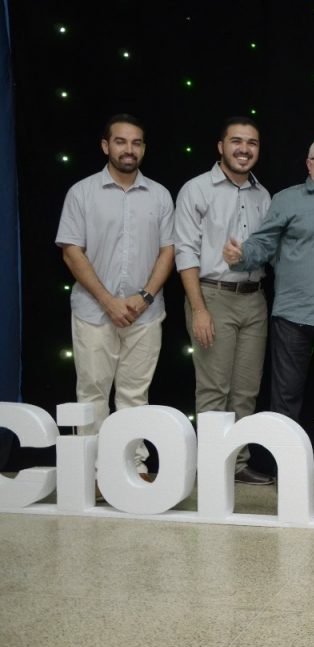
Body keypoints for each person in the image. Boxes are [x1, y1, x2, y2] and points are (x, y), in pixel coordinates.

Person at [223, 137, 314, 458]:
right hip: (293, 317)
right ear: (309, 164)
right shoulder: (287, 199)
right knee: (286, 398)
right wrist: (242, 256)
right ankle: (285, 469)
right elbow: (264, 242)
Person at [55, 113, 175, 480]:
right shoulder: (81, 192)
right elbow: (71, 252)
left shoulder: (159, 195)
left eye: (136, 143)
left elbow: (168, 251)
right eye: (121, 142)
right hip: (93, 311)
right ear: (106, 146)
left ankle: (130, 470)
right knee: (92, 394)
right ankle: (91, 475)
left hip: (145, 314)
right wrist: (108, 301)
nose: (129, 149)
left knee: (135, 396)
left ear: (144, 149)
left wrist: (144, 297)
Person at [173, 116, 273, 485]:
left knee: (246, 391)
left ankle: (237, 463)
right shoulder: (196, 190)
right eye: (236, 141)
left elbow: (268, 249)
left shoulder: (264, 196)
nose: (244, 149)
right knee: (214, 389)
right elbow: (185, 251)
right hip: (212, 296)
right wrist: (199, 309)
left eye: (252, 143)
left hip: (254, 299)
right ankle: (213, 466)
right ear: (221, 146)